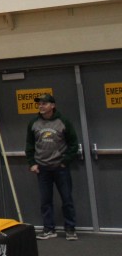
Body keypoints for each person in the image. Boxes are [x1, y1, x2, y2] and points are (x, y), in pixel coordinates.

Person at [25, 94, 79, 241]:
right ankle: (49, 229)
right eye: (39, 104)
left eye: (44, 103)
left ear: (52, 105)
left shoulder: (63, 122)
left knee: (67, 199)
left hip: (60, 168)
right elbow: (29, 145)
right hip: (42, 169)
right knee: (45, 201)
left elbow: (73, 144)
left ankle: (70, 229)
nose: (41, 106)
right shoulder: (34, 123)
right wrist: (32, 163)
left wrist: (65, 161)